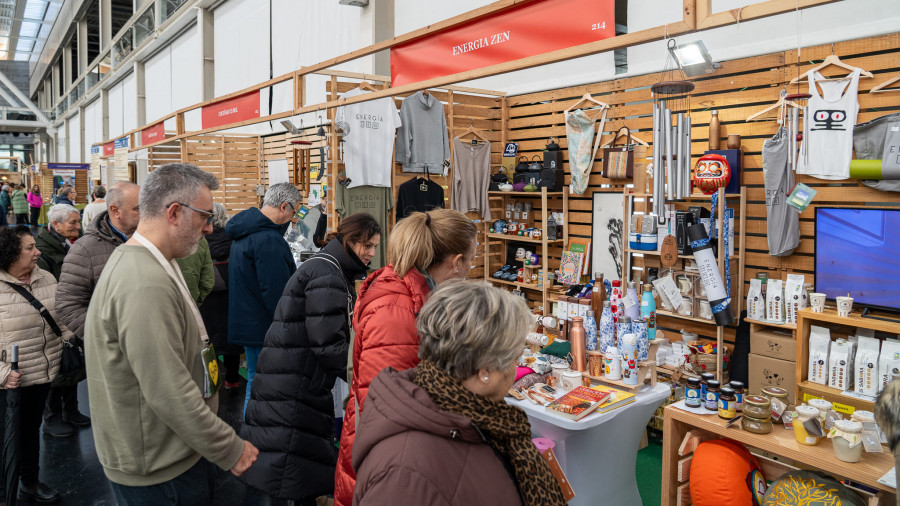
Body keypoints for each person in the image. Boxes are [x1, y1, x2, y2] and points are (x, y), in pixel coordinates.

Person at [84, 163, 258, 505]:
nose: (209, 228)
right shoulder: (143, 280)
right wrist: (229, 447)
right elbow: (168, 389)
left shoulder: (155, 263)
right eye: (204, 216)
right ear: (175, 212)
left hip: (166, 452)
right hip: (159, 467)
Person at [352, 282, 566, 505]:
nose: (515, 369)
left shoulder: (480, 417)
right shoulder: (404, 475)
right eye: (514, 359)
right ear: (486, 371)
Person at [333, 208, 477, 506]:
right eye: (472, 259)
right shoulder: (396, 307)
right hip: (387, 468)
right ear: (456, 262)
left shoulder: (415, 293)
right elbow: (386, 405)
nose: (471, 268)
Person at [240, 213, 380, 505]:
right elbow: (328, 344)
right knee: (284, 460)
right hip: (294, 383)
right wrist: (368, 377)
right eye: (367, 245)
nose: (371, 253)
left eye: (375, 246)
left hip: (291, 377)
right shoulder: (327, 274)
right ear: (350, 241)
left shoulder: (327, 268)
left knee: (286, 459)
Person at [54, 181, 141, 434]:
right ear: (115, 210)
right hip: (113, 354)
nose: (145, 214)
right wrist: (104, 337)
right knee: (122, 420)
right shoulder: (85, 249)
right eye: (138, 209)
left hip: (150, 346)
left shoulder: (150, 242)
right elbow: (67, 304)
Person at [0, 225, 74, 504]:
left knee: (30, 434)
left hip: (41, 373)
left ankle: (29, 483)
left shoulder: (45, 277)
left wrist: (68, 339)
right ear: (10, 254)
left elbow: (61, 315)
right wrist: (3, 374)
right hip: (9, 380)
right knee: (5, 438)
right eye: (30, 248)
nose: (37, 251)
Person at [226, 182, 301, 415]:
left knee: (255, 381)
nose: (293, 218)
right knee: (263, 386)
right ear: (284, 207)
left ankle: (254, 435)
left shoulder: (246, 231)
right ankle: (256, 437)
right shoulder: (267, 239)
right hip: (264, 328)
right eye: (294, 212)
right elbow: (276, 291)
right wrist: (287, 328)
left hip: (250, 322)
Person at [200, 203, 242, 390]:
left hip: (208, 297)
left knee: (210, 340)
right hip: (230, 295)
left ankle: (213, 383)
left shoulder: (200, 239)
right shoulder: (233, 238)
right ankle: (232, 380)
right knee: (230, 338)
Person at [35, 204, 81, 282]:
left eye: (79, 221)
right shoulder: (39, 250)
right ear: (55, 223)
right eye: (73, 223)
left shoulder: (81, 240)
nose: (78, 226)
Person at [176, 235, 214, 306]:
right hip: (191, 301)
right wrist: (196, 302)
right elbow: (208, 280)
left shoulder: (153, 240)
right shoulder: (200, 240)